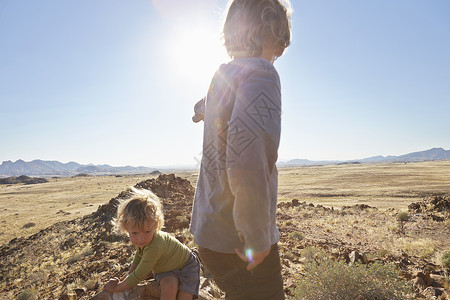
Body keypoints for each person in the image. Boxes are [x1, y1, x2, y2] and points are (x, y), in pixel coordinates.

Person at [190, 0, 292, 299]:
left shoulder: (222, 76)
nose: (282, 50)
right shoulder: (261, 73)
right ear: (270, 30)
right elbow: (246, 157)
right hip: (236, 239)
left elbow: (208, 109)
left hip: (209, 234)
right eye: (282, 39)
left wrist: (201, 112)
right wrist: (257, 236)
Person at [104, 188, 200, 300]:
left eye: (147, 231)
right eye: (134, 233)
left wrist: (117, 288)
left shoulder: (155, 246)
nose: (141, 239)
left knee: (184, 296)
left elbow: (139, 275)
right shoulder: (142, 241)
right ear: (126, 228)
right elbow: (138, 256)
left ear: (155, 225)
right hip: (165, 270)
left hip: (187, 266)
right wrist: (125, 277)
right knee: (168, 289)